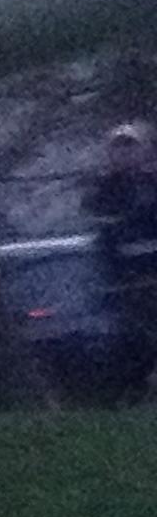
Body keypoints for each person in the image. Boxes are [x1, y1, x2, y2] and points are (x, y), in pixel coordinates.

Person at [84, 123, 157, 399]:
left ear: (144, 151)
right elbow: (104, 230)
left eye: (131, 147)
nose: (126, 154)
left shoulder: (152, 183)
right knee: (135, 338)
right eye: (119, 149)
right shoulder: (102, 190)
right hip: (126, 283)